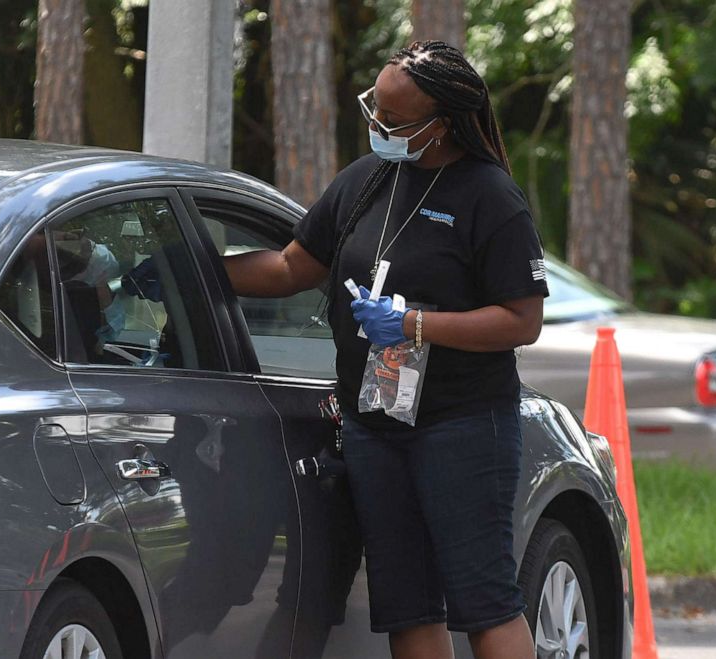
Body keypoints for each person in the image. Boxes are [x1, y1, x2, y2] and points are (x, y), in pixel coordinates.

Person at [221, 41, 548, 659]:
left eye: (394, 122)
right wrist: (189, 269)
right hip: (376, 422)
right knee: (406, 604)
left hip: (463, 423)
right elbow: (293, 267)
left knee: (484, 602)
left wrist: (417, 325)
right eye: (376, 109)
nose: (378, 127)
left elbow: (521, 319)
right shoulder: (366, 180)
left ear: (442, 123)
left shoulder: (489, 195)